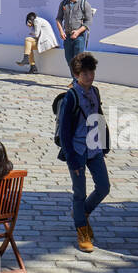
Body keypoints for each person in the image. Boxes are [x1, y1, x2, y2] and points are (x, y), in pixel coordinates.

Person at [55, 52, 111, 252]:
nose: (89, 76)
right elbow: (65, 131)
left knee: (104, 187)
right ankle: (82, 229)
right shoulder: (71, 96)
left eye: (91, 71)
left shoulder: (95, 91)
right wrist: (72, 160)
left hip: (95, 148)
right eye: (84, 72)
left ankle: (81, 213)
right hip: (77, 150)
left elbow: (99, 117)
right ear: (76, 74)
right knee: (79, 193)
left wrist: (105, 143)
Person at [55, 0, 95, 74]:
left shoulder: (84, 3)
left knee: (78, 61)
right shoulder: (64, 3)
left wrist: (77, 32)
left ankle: (77, 82)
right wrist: (61, 31)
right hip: (67, 36)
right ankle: (75, 80)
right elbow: (58, 18)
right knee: (69, 60)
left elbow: (89, 21)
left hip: (79, 37)